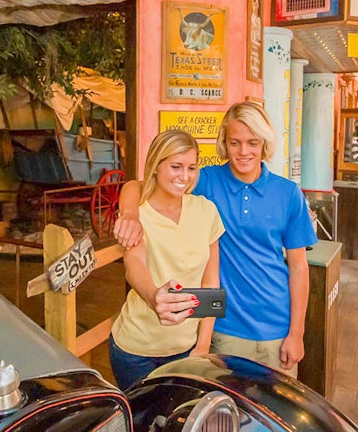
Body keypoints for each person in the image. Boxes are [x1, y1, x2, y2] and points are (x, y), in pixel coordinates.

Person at [114, 102, 317, 376]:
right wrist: (129, 214)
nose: (244, 152)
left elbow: (299, 267)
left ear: (264, 143)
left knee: (271, 415)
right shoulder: (205, 180)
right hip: (224, 328)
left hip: (276, 328)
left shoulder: (289, 193)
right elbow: (142, 184)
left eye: (252, 143)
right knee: (223, 413)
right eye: (235, 142)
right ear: (224, 142)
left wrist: (297, 332)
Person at [108, 129, 224, 389]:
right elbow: (134, 265)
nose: (184, 176)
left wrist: (203, 345)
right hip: (136, 350)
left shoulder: (206, 210)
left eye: (191, 168)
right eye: (175, 166)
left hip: (188, 348)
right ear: (156, 166)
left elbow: (211, 280)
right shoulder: (139, 213)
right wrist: (153, 296)